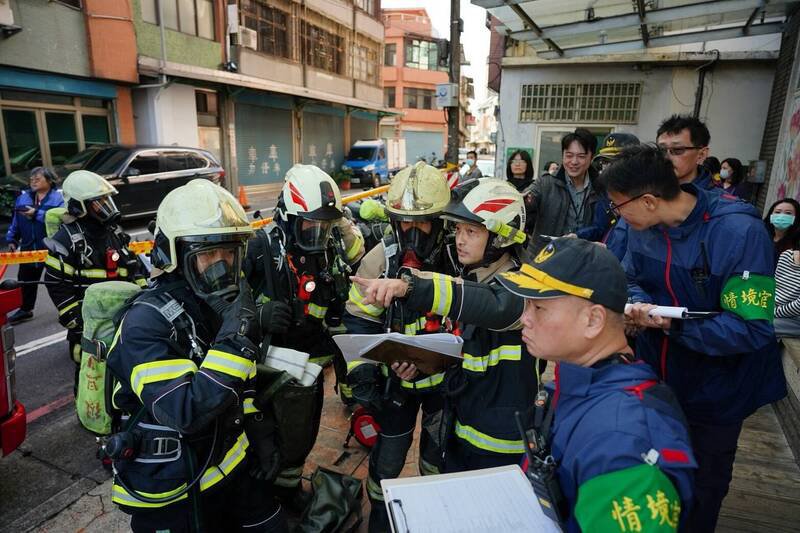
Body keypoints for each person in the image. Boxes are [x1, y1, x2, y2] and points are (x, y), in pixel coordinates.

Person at [607, 144, 786, 532]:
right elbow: (630, 276)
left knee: (703, 486)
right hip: (657, 379)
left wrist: (672, 324)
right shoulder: (643, 229)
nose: (618, 216)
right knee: (655, 475)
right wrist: (637, 304)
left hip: (719, 390)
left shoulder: (739, 233)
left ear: (649, 201)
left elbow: (752, 328)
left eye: (618, 207)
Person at [106, 179, 287, 532]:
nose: (221, 266)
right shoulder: (144, 323)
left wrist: (259, 431)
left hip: (230, 466)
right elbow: (184, 412)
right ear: (173, 255)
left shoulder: (211, 304)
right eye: (207, 255)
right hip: (173, 488)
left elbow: (241, 379)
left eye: (228, 253)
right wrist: (237, 340)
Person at [494, 238, 696, 532]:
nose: (525, 318)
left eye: (538, 307)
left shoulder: (622, 441)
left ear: (593, 321)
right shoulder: (577, 385)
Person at [351, 178, 544, 474]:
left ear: (501, 237)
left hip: (499, 443)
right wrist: (422, 363)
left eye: (471, 231)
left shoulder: (521, 287)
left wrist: (410, 287)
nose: (460, 240)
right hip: (463, 424)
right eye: (458, 229)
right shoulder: (475, 275)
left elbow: (493, 304)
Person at [243, 164, 364, 502]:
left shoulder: (330, 242)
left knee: (303, 432)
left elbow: (357, 254)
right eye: (310, 224)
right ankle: (268, 495)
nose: (317, 233)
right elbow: (227, 306)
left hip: (311, 366)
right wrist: (259, 316)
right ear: (286, 216)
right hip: (271, 369)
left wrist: (341, 222)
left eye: (324, 225)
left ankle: (289, 487)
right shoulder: (260, 248)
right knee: (272, 435)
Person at [344, 161, 453, 532]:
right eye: (404, 223)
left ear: (440, 222)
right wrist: (365, 373)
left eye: (422, 223)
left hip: (446, 386)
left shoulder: (458, 258)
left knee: (438, 459)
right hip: (397, 386)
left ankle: (438, 516)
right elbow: (359, 319)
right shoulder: (381, 259)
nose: (412, 233)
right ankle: (380, 518)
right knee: (387, 461)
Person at [44, 170, 145, 392]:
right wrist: (78, 322)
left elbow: (133, 270)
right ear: (78, 208)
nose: (106, 208)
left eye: (106, 201)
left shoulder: (113, 233)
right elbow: (56, 283)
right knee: (89, 378)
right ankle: (87, 408)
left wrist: (146, 300)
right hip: (88, 325)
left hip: (121, 320)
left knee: (122, 374)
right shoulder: (66, 240)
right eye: (98, 204)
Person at [526, 129, 604, 251]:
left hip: (582, 256)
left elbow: (600, 226)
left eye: (581, 156)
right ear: (562, 155)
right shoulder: (546, 183)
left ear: (591, 157)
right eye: (569, 155)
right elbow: (529, 197)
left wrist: (579, 235)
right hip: (544, 255)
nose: (574, 162)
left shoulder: (600, 187)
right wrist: (524, 200)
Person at [5, 167, 64, 323]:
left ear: (49, 180)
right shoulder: (22, 199)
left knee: (56, 282)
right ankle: (26, 310)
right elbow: (16, 222)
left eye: (37, 179)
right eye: (31, 179)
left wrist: (36, 213)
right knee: (25, 280)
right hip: (29, 247)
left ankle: (66, 309)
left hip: (52, 248)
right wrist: (12, 239)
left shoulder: (58, 199)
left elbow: (61, 219)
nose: (33, 182)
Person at [656, 114, 714, 189]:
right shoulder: (645, 189)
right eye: (661, 150)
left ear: (701, 155)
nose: (666, 157)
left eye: (677, 149)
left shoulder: (717, 196)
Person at [775, 245, 800, 338]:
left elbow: (798, 307)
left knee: (762, 326)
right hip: (776, 308)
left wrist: (772, 312)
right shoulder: (786, 255)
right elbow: (776, 288)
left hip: (796, 317)